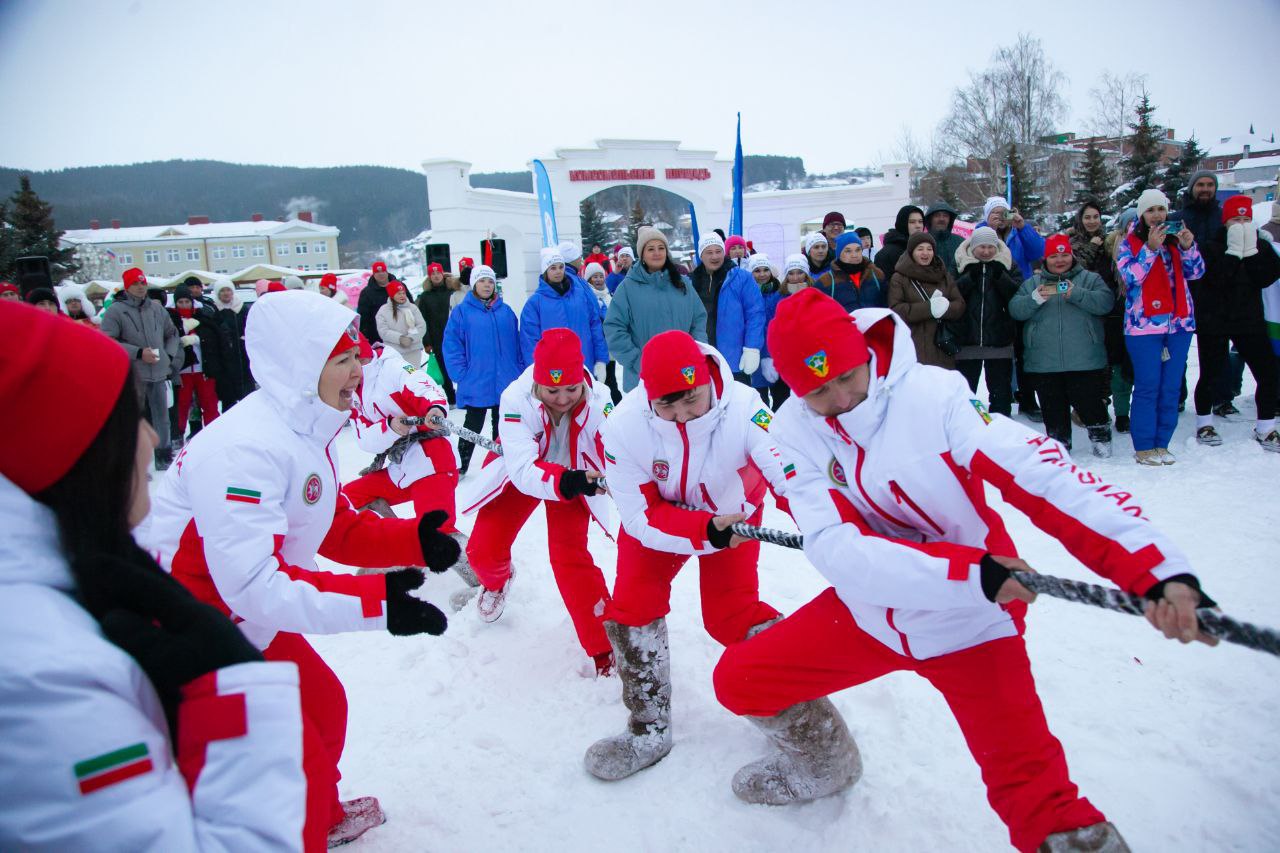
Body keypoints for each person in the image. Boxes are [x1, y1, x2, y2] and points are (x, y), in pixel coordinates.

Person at [714, 289, 1215, 852]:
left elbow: (1041, 474)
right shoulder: (790, 433)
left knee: (1037, 798)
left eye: (847, 377)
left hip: (974, 619)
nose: (839, 399)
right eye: (818, 392)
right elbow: (837, 549)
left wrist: (1156, 569)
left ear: (863, 352)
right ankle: (825, 764)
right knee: (739, 680)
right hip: (877, 612)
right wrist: (967, 571)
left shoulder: (936, 395)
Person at [138, 290, 461, 850]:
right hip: (197, 631)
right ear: (301, 366)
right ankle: (302, 832)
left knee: (324, 705)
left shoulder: (307, 427)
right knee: (294, 759)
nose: (359, 373)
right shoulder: (244, 451)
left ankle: (323, 815)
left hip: (243, 615)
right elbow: (254, 583)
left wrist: (415, 540)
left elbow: (333, 526)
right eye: (344, 361)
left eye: (358, 357)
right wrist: (378, 604)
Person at [0, 301, 321, 851]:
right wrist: (233, 697)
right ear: (75, 451)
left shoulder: (72, 590)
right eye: (130, 422)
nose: (151, 440)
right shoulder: (46, 677)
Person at [584, 329, 790, 783]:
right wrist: (703, 532)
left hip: (732, 513)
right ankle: (648, 726)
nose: (681, 415)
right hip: (661, 522)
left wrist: (827, 518)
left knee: (731, 615)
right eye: (667, 406)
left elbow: (787, 468)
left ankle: (802, 718)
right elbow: (639, 518)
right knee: (633, 607)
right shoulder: (621, 428)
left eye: (691, 400)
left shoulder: (745, 407)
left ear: (706, 381)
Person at [457, 328, 615, 674]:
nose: (562, 399)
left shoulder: (600, 400)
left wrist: (613, 475)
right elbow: (524, 470)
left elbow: (615, 450)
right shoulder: (516, 398)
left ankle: (606, 647)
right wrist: (567, 481)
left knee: (569, 559)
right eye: (551, 390)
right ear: (537, 384)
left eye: (571, 389)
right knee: (483, 549)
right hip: (524, 473)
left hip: (575, 476)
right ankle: (497, 581)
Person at [1117, 189, 1204, 465]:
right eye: (1151, 210)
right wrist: (1150, 250)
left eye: (1161, 209)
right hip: (1144, 328)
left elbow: (1197, 273)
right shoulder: (1129, 243)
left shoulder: (1174, 241)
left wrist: (1189, 247)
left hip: (1179, 325)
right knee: (1148, 385)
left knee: (1170, 387)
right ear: (1142, 214)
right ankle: (1143, 446)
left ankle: (1162, 444)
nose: (1157, 215)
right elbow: (1130, 277)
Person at [1009, 236, 1115, 456]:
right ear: (1045, 259)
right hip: (1044, 361)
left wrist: (1077, 294)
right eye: (1054, 256)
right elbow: (1015, 310)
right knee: (1052, 406)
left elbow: (1105, 302)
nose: (1060, 260)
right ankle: (1059, 444)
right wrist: (1034, 299)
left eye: (1064, 255)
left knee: (1090, 403)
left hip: (1084, 358)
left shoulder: (1089, 279)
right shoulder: (1032, 284)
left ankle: (1101, 438)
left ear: (1072, 255)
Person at [1190, 195, 1280, 451]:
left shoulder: (1260, 247)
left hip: (1249, 319)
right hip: (1214, 319)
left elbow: (1266, 278)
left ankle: (1265, 427)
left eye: (1245, 219)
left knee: (1267, 372)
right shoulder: (1210, 246)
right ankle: (1204, 422)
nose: (1241, 225)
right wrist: (1232, 252)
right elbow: (1216, 278)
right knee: (1211, 373)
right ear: (1225, 221)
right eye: (1235, 220)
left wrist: (1250, 252)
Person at [442, 264, 525, 474]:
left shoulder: (506, 311)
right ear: (474, 285)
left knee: (503, 425)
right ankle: (460, 465)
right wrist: (460, 373)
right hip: (476, 378)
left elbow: (517, 343)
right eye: (482, 281)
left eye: (490, 281)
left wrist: (520, 369)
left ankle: (501, 464)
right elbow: (452, 345)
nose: (487, 285)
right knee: (472, 424)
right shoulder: (462, 312)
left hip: (506, 378)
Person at [604, 225, 708, 393]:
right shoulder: (627, 288)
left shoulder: (683, 284)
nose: (657, 253)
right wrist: (638, 361)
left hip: (684, 373)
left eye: (661, 248)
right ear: (642, 255)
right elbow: (613, 328)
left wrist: (696, 350)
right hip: (644, 378)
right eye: (650, 249)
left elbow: (699, 319)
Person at [100, 267, 180, 471]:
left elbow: (172, 334)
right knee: (134, 419)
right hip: (133, 374)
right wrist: (137, 352)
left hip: (159, 372)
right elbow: (108, 341)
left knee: (163, 417)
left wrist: (168, 355)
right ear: (127, 286)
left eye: (143, 283)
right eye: (135, 283)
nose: (140, 287)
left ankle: (163, 454)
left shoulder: (157, 308)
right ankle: (135, 462)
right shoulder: (116, 311)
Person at [1070, 200, 1130, 432]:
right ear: (1080, 219)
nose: (1092, 221)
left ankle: (1105, 402)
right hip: (1083, 308)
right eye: (1087, 217)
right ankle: (1085, 405)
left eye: (1096, 216)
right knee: (1089, 360)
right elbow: (1076, 268)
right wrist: (1093, 247)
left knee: (1109, 361)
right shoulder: (1073, 242)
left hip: (1111, 308)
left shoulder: (1110, 241)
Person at [953, 226, 1021, 417]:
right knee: (965, 394)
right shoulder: (960, 263)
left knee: (1001, 394)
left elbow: (1017, 295)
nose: (986, 251)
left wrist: (1001, 277)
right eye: (981, 247)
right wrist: (969, 277)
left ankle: (1000, 431)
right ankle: (968, 428)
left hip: (999, 337)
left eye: (991, 247)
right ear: (973, 247)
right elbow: (951, 293)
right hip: (967, 338)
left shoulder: (1008, 264)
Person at [521, 248, 609, 384]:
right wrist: (534, 369)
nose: (558, 271)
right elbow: (530, 341)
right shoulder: (535, 303)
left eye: (561, 267)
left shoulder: (580, 295)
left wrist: (601, 360)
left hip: (584, 364)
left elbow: (595, 327)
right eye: (553, 268)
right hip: (553, 372)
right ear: (545, 271)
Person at [690, 232, 765, 384]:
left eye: (718, 251)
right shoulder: (691, 282)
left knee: (738, 405)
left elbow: (755, 314)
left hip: (734, 359)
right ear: (701, 255)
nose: (714, 257)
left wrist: (752, 348)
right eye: (709, 252)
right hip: (703, 356)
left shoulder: (742, 278)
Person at [887, 232, 965, 369]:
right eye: (920, 249)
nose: (925, 253)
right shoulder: (899, 278)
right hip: (914, 346)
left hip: (942, 346)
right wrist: (929, 308)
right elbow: (896, 310)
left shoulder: (943, 275)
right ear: (911, 252)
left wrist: (944, 308)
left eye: (929, 249)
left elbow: (959, 305)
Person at [167, 291, 222, 443]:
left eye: (187, 302)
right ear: (176, 303)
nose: (184, 305)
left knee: (209, 402)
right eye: (181, 302)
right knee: (182, 405)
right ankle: (178, 435)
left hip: (202, 369)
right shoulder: (170, 319)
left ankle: (214, 432)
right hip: (182, 370)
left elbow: (212, 337)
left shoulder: (202, 316)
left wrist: (198, 339)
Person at [1103, 209, 1139, 433]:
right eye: (1129, 223)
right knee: (1119, 370)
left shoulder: (1151, 247)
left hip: (1145, 317)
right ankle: (1122, 413)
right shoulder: (1109, 250)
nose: (1132, 227)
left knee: (1143, 367)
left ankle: (1144, 410)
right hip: (1116, 317)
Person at [748, 255, 789, 409]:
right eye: (757, 271)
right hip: (755, 353)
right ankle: (763, 431)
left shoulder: (779, 293)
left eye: (766, 270)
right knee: (759, 401)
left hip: (777, 353)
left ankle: (781, 428)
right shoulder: (748, 295)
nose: (762, 274)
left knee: (781, 399)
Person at [415, 263, 459, 405]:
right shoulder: (425, 296)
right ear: (429, 277)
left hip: (455, 335)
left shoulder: (452, 292)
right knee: (443, 368)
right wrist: (426, 342)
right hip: (437, 337)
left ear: (442, 274)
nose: (436, 276)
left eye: (438, 273)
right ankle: (451, 397)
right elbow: (423, 320)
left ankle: (463, 394)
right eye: (432, 274)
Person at [210, 281, 254, 410]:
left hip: (242, 359)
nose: (226, 293)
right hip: (224, 360)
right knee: (228, 399)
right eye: (222, 291)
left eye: (228, 290)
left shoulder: (241, 308)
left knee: (246, 397)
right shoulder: (214, 310)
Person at [814, 232, 885, 312]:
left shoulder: (876, 274)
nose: (854, 255)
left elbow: (886, 306)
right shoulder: (825, 282)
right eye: (848, 251)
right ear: (839, 254)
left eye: (858, 250)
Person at [583, 261, 622, 404]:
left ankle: (615, 408)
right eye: (595, 277)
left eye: (600, 276)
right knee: (600, 380)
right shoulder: (588, 296)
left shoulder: (607, 295)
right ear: (588, 280)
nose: (599, 279)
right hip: (597, 348)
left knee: (611, 379)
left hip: (610, 347)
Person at [982, 197, 1045, 281]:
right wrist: (991, 230)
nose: (1000, 217)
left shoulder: (1020, 232)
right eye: (995, 213)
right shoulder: (980, 233)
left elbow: (1038, 252)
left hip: (1021, 286)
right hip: (993, 286)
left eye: (1004, 213)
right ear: (987, 217)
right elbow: (983, 257)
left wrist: (1023, 227)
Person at [375, 279, 426, 366]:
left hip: (413, 352)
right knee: (401, 377)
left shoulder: (412, 308)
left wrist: (411, 338)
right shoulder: (383, 311)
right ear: (392, 295)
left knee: (413, 376)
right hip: (395, 353)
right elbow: (383, 331)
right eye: (399, 293)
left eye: (403, 293)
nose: (402, 296)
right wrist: (400, 338)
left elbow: (421, 326)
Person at [875, 204, 925, 281]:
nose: (918, 225)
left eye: (920, 221)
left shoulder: (926, 249)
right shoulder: (886, 254)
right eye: (912, 222)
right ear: (903, 223)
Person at [357, 260, 398, 344]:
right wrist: (365, 337)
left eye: (383, 271)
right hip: (377, 338)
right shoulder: (366, 293)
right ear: (373, 275)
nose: (381, 274)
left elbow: (410, 306)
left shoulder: (399, 286)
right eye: (377, 272)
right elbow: (363, 318)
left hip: (400, 335)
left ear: (387, 272)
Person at [925, 202, 964, 279]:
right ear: (930, 219)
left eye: (945, 216)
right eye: (937, 216)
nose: (941, 219)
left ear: (950, 219)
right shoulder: (921, 241)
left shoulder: (960, 242)